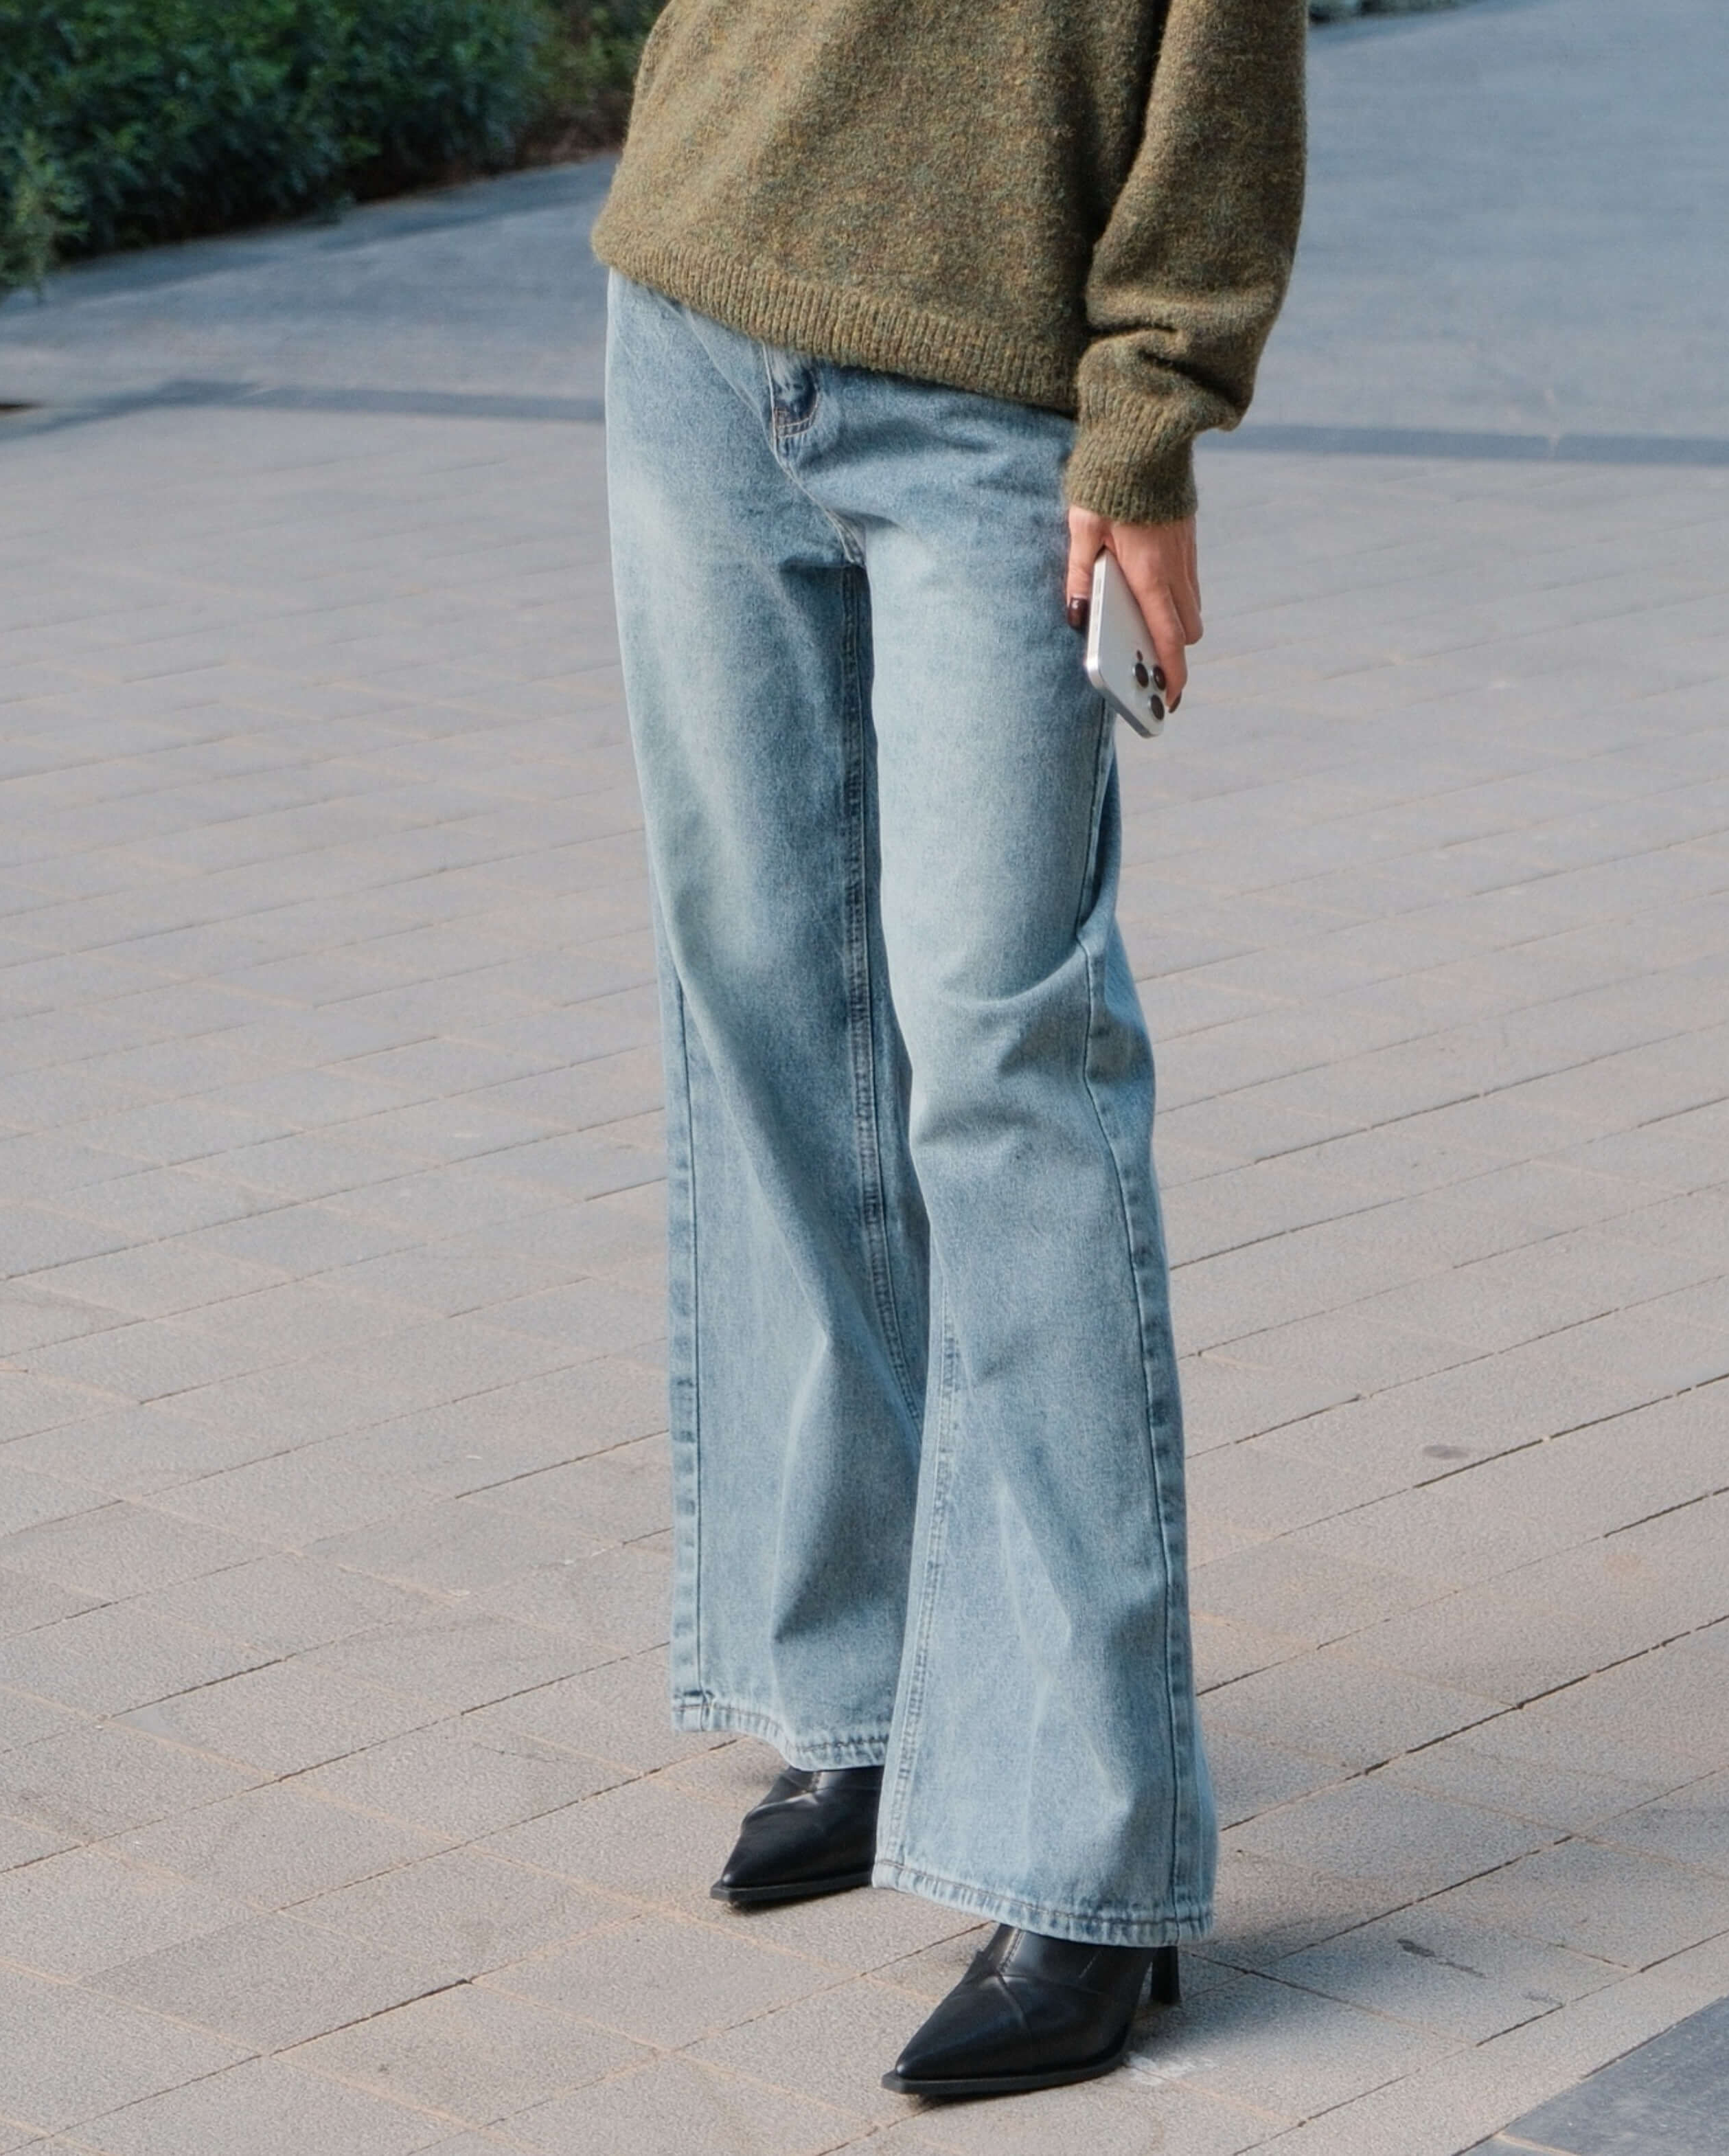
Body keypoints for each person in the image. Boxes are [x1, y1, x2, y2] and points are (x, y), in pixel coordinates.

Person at [591, 0, 1306, 2102]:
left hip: (996, 398)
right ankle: (878, 1688)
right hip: (695, 311)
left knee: (1007, 1067)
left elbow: (1225, 54)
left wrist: (1147, 412)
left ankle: (1090, 1850)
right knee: (770, 1017)